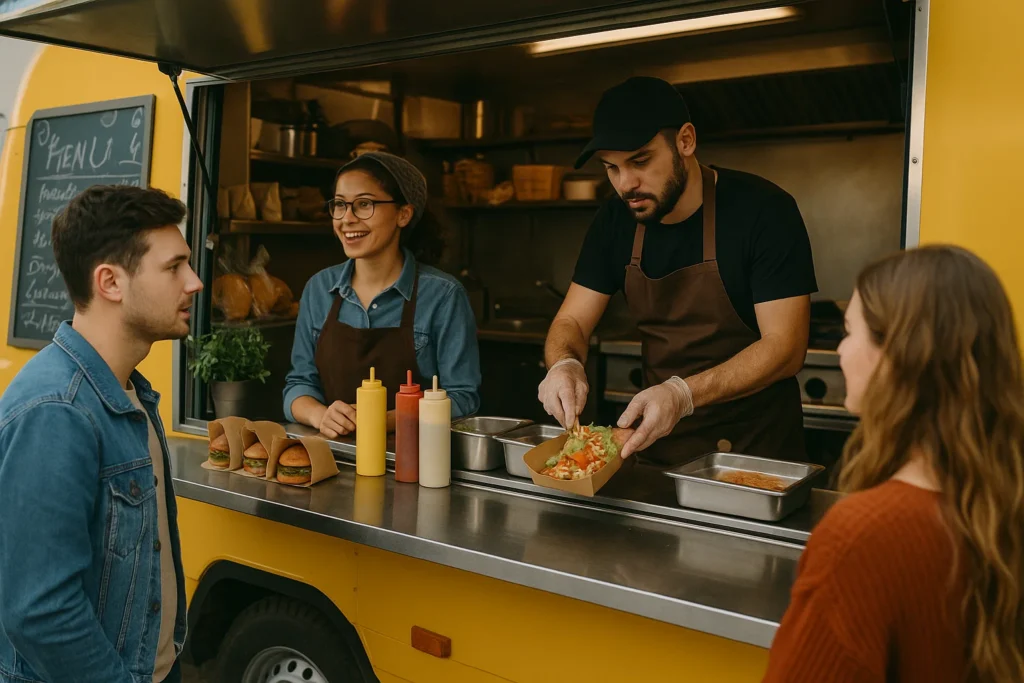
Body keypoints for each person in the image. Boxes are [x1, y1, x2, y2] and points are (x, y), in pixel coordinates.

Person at [763, 246, 1024, 683]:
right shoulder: (1003, 498)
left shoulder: (862, 535)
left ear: (897, 356)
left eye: (849, 332)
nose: (842, 351)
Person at [538, 76, 817, 466]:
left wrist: (682, 393)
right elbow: (572, 319)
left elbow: (785, 347)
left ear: (685, 141)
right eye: (611, 168)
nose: (626, 184)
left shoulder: (763, 211)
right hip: (660, 450)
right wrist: (565, 363)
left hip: (754, 454)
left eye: (640, 161)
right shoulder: (616, 220)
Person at [0, 186, 202, 683]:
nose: (194, 282)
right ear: (110, 282)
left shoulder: (128, 392)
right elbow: (40, 611)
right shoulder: (58, 411)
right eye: (173, 267)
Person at [284, 152, 480, 438]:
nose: (347, 219)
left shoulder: (444, 296)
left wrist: (381, 420)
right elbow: (298, 383)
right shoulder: (319, 288)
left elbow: (463, 397)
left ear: (403, 214)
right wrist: (320, 415)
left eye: (364, 204)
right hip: (332, 458)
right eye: (339, 205)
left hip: (417, 462)